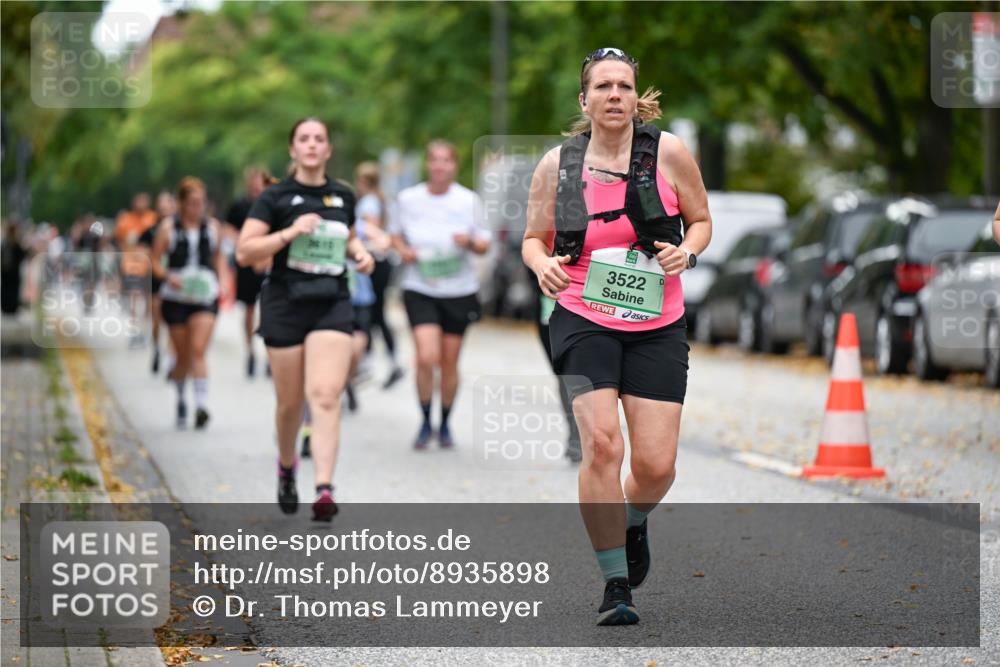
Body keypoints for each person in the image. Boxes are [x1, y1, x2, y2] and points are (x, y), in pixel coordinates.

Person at [522, 47, 712, 626]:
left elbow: (701, 220)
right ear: (584, 100)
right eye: (602, 86)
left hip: (656, 320)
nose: (614, 95)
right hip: (583, 313)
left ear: (636, 98)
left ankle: (631, 519)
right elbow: (534, 238)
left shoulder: (669, 153)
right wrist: (541, 266)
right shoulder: (558, 165)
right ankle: (615, 585)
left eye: (624, 86)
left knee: (656, 466)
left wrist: (688, 250)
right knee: (603, 445)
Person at [236, 117, 374, 522]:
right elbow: (246, 252)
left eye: (319, 139)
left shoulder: (342, 196)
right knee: (290, 404)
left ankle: (324, 487)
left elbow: (348, 238)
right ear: (293, 150)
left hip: (331, 302)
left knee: (326, 395)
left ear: (328, 150)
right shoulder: (275, 198)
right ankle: (286, 465)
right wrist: (289, 233)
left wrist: (360, 254)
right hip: (284, 303)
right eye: (304, 139)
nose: (312, 145)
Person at [391, 140, 491, 450]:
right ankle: (424, 421)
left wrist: (468, 243)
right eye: (434, 160)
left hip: (458, 291)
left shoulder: (468, 200)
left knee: (449, 362)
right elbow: (395, 233)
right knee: (426, 356)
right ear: (427, 164)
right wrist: (404, 250)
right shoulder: (409, 198)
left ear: (454, 166)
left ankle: (444, 423)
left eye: (446, 160)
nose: (440, 166)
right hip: (420, 287)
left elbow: (484, 244)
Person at [151, 178, 226, 430]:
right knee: (183, 357)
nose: (197, 207)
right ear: (181, 203)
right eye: (193, 203)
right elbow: (154, 260)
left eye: (201, 203)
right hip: (176, 299)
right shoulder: (167, 228)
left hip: (204, 296)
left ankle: (201, 405)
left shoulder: (213, 228)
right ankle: (182, 397)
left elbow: (219, 260)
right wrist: (167, 276)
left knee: (197, 350)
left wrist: (223, 282)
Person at [355, 162, 404, 388]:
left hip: (374, 260)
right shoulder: (382, 200)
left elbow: (370, 232)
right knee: (377, 312)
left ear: (364, 181)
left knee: (372, 311)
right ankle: (385, 359)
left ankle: (369, 360)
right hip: (383, 262)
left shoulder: (369, 202)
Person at [225, 168, 272, 378]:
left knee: (270, 309)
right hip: (247, 264)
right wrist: (246, 245)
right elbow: (228, 230)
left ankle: (272, 354)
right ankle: (250, 350)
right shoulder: (240, 206)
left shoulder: (273, 204)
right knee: (250, 309)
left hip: (269, 263)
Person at [536, 291, 582, 463]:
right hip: (549, 312)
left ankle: (582, 435)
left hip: (591, 313)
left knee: (582, 375)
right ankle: (574, 433)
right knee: (564, 376)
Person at [140, 190, 177, 373]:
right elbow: (142, 250)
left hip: (175, 279)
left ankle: (171, 358)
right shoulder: (151, 229)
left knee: (173, 320)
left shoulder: (179, 228)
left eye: (167, 205)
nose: (164, 209)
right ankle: (156, 348)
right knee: (157, 318)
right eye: (161, 206)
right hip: (156, 277)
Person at [115, 193, 158, 347]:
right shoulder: (125, 220)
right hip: (131, 265)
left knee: (148, 298)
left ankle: (144, 328)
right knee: (134, 297)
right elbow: (119, 241)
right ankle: (134, 329)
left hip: (149, 264)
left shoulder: (153, 218)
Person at [1, 222, 28, 315]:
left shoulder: (7, 242)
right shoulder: (10, 242)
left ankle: (9, 307)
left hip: (8, 272)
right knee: (9, 290)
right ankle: (9, 307)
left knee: (9, 289)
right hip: (9, 272)